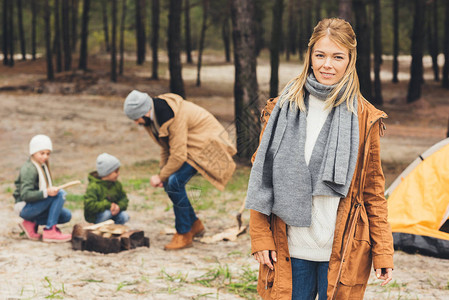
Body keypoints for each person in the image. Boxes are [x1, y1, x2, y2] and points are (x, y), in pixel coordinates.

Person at [246, 18, 394, 300]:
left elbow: (373, 192)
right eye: (320, 55)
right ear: (310, 56)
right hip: (288, 248)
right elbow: (261, 179)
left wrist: (383, 251)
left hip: (341, 252)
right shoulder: (280, 109)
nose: (327, 64)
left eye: (337, 56)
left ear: (350, 59)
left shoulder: (365, 118)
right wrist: (261, 237)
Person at [123, 90, 237, 250]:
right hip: (190, 146)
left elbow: (178, 155)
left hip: (207, 145)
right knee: (171, 182)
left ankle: (184, 233)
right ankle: (194, 224)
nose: (136, 123)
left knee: (175, 181)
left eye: (136, 118)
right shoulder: (153, 119)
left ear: (145, 111)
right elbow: (166, 147)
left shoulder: (173, 116)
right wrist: (162, 174)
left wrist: (161, 176)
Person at [13, 134, 72, 243]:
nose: (45, 157)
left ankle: (30, 223)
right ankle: (50, 231)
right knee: (60, 194)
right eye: (42, 153)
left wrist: (48, 192)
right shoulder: (29, 169)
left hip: (35, 204)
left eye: (48, 154)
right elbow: (25, 195)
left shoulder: (42, 165)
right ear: (33, 152)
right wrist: (46, 193)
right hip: (24, 206)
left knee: (66, 216)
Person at [83, 153, 130, 225]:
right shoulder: (94, 186)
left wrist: (119, 207)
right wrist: (108, 205)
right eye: (116, 171)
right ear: (107, 172)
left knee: (124, 216)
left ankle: (115, 230)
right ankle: (98, 228)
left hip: (113, 213)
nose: (118, 173)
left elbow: (124, 198)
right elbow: (90, 205)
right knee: (107, 213)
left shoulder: (117, 184)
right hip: (98, 216)